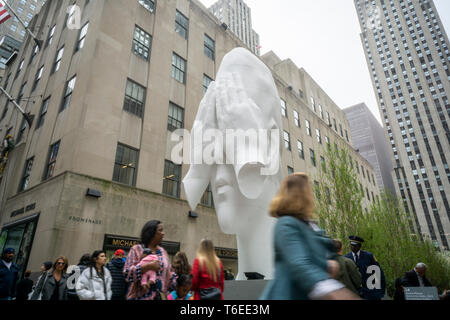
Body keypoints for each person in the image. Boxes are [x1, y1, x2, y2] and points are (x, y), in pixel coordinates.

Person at [260, 173, 360, 300]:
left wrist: (327, 264)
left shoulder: (307, 225)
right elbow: (300, 263)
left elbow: (312, 254)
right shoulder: (286, 224)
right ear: (301, 195)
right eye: (309, 190)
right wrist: (336, 291)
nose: (312, 195)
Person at [123, 220, 175, 300]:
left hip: (159, 297)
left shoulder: (163, 252)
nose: (163, 233)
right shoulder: (136, 249)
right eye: (160, 230)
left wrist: (182, 282)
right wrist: (147, 267)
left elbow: (170, 275)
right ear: (151, 233)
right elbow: (127, 274)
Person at [345, 235, 386, 300]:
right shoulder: (346, 258)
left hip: (370, 293)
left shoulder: (369, 256)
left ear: (359, 246)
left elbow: (378, 273)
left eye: (355, 245)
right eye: (351, 244)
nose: (352, 247)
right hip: (354, 294)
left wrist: (380, 292)